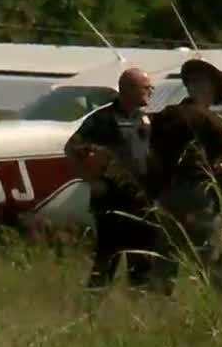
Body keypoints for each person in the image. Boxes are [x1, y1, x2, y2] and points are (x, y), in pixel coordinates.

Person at [146, 59, 222, 295]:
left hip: (167, 195)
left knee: (165, 258)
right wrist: (214, 170)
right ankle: (218, 307)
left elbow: (151, 158)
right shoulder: (212, 121)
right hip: (201, 198)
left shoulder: (164, 116)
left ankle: (159, 306)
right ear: (211, 91)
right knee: (209, 258)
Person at [63, 67, 156, 291]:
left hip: (141, 200)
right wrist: (91, 180)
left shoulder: (146, 119)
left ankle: (139, 309)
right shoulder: (104, 119)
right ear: (129, 89)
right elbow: (72, 149)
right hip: (111, 201)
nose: (151, 92)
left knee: (143, 259)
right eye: (146, 88)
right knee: (107, 257)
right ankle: (93, 306)